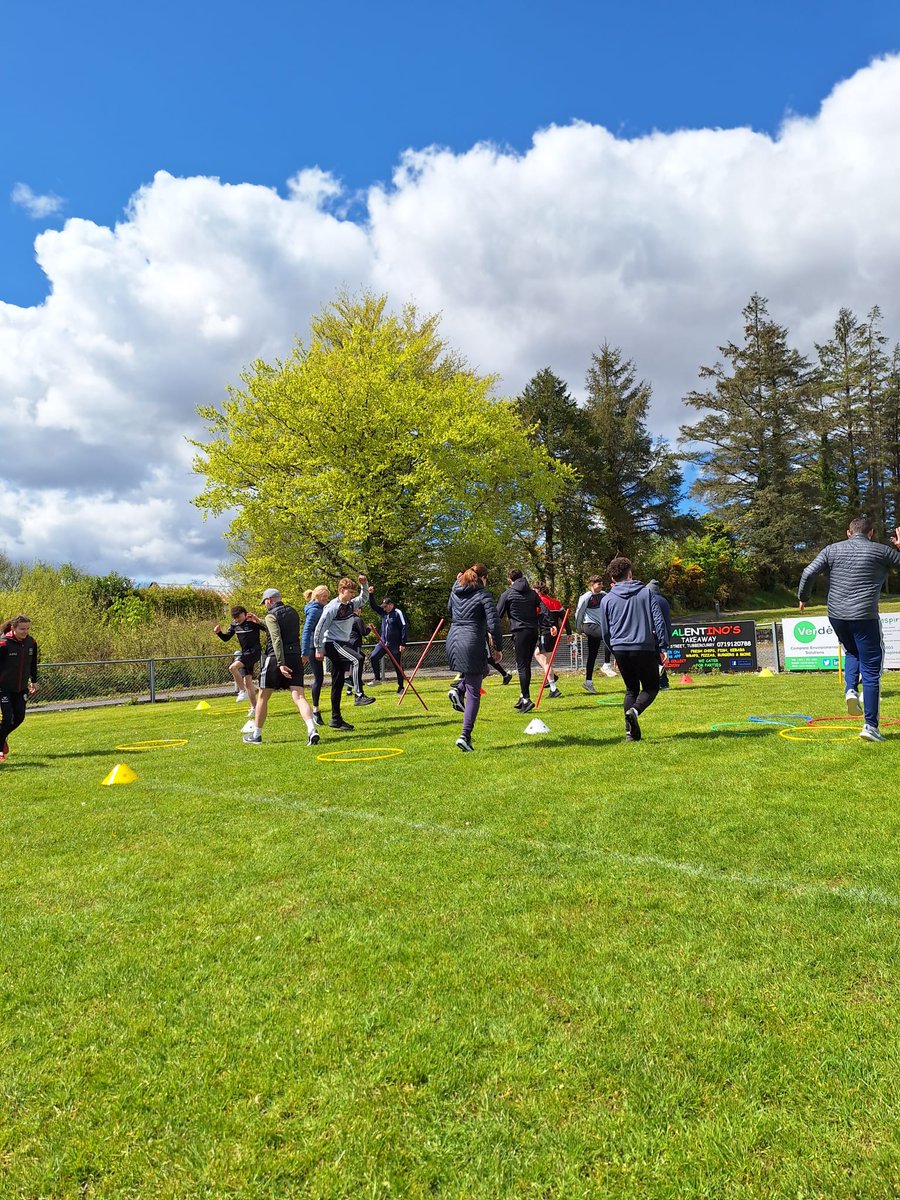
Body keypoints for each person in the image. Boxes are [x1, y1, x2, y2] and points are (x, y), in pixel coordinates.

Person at [798, 516, 900, 741]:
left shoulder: (831, 550)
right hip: (864, 616)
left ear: (848, 533)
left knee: (851, 651)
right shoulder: (881, 551)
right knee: (872, 671)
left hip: (837, 615)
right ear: (871, 533)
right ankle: (871, 727)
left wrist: (803, 597)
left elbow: (808, 572)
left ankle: (850, 690)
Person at [599, 558, 669, 742]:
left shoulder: (606, 599)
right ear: (629, 573)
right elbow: (658, 621)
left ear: (613, 578)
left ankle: (631, 734)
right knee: (651, 687)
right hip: (643, 647)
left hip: (620, 648)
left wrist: (613, 649)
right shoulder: (646, 594)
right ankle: (635, 711)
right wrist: (663, 646)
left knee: (631, 689)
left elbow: (605, 630)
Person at [242, 589, 320, 747]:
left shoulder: (271, 615)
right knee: (299, 696)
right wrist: (260, 623)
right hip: (295, 656)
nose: (265, 605)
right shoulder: (293, 612)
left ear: (269, 600)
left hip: (276, 659)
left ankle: (256, 734)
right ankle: (312, 729)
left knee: (263, 696)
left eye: (264, 602)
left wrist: (280, 663)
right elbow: (285, 632)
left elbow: (276, 639)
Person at [446, 566, 503, 751]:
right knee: (474, 692)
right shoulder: (483, 595)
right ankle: (465, 735)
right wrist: (498, 648)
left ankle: (458, 689)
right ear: (483, 578)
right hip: (471, 641)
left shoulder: (455, 591)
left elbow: (449, 609)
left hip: (453, 640)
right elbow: (494, 622)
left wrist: (456, 582)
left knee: (483, 671)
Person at [313, 575, 374, 731]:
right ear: (341, 590)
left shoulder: (350, 604)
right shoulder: (332, 607)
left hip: (342, 643)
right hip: (332, 643)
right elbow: (320, 628)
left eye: (354, 592)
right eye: (350, 592)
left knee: (338, 683)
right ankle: (359, 695)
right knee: (357, 659)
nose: (353, 595)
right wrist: (318, 648)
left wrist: (364, 585)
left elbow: (364, 598)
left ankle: (336, 719)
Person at [496, 569, 542, 712]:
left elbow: (497, 615)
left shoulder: (507, 594)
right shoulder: (533, 593)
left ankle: (527, 699)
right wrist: (550, 625)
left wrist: (492, 633)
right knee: (526, 665)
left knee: (521, 666)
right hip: (533, 631)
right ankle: (523, 696)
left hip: (519, 632)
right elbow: (544, 610)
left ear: (510, 579)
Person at [0, 615, 40, 763]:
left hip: (21, 688)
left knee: (19, 718)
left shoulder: (31, 642)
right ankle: (0, 752)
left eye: (28, 628)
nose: (26, 631)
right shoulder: (3, 643)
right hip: (3, 689)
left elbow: (33, 663)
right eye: (22, 629)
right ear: (13, 628)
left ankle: (1, 737)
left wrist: (33, 681)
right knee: (7, 718)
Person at [214, 605, 262, 713]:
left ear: (245, 614)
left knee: (232, 667)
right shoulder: (234, 624)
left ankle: (242, 691)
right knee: (247, 681)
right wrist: (218, 633)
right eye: (235, 618)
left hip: (254, 652)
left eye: (239, 617)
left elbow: (266, 629)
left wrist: (258, 621)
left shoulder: (252, 622)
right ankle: (254, 708)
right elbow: (226, 638)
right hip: (245, 653)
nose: (237, 619)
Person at [574, 575, 615, 693]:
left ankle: (588, 682)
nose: (601, 586)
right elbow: (579, 612)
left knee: (592, 654)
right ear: (592, 585)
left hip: (601, 625)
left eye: (602, 583)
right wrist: (578, 628)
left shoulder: (604, 595)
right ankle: (606, 664)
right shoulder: (586, 597)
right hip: (589, 625)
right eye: (599, 584)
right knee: (608, 636)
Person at [534, 582, 569, 698]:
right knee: (537, 654)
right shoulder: (555, 602)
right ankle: (552, 676)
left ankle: (553, 687)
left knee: (546, 662)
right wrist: (568, 632)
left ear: (538, 590)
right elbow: (565, 618)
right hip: (555, 634)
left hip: (546, 633)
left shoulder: (539, 602)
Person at [368, 592, 408, 692]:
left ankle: (401, 686)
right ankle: (377, 678)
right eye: (383, 607)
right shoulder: (383, 613)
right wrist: (371, 594)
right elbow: (373, 606)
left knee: (397, 665)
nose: (384, 608)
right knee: (373, 657)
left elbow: (404, 627)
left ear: (391, 605)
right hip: (383, 642)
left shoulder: (397, 612)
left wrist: (403, 643)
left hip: (394, 644)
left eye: (386, 606)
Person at [301, 586, 329, 726]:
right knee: (319, 678)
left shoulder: (322, 608)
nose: (326, 599)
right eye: (324, 596)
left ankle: (350, 681)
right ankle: (316, 710)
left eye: (327, 597)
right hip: (313, 647)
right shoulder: (313, 610)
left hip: (324, 644)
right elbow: (306, 631)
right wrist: (305, 652)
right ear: (317, 597)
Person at [646, 580, 673, 691]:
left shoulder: (651, 600)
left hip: (654, 633)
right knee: (657, 657)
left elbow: (654, 618)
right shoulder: (664, 601)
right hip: (665, 633)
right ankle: (663, 683)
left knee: (652, 659)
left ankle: (660, 682)